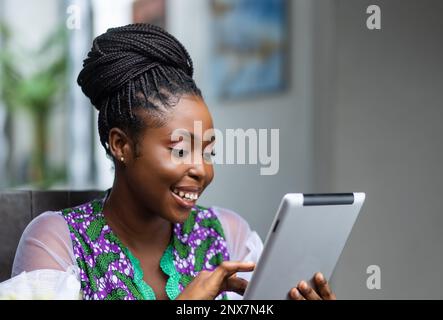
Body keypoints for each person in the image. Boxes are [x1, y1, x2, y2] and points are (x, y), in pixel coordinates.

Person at [9, 24, 336, 300]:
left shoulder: (228, 235)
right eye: (181, 150)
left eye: (209, 152)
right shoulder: (57, 241)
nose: (202, 170)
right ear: (121, 144)